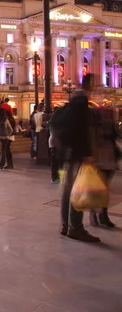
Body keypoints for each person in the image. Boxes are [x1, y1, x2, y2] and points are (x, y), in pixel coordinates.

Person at [58, 73, 101, 242]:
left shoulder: (75, 99)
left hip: (68, 152)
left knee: (68, 190)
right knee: (78, 190)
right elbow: (81, 129)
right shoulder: (82, 101)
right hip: (77, 153)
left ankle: (65, 225)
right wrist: (87, 153)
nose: (98, 87)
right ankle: (75, 227)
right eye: (96, 84)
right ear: (90, 85)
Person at [89, 105, 117, 228]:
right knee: (96, 190)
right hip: (98, 160)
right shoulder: (94, 128)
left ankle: (103, 214)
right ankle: (94, 214)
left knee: (105, 190)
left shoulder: (111, 128)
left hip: (109, 159)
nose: (108, 118)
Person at [49, 107, 61, 183]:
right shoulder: (54, 121)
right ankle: (54, 177)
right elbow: (54, 133)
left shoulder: (55, 121)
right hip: (54, 142)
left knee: (57, 161)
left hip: (56, 142)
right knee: (55, 161)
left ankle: (57, 176)